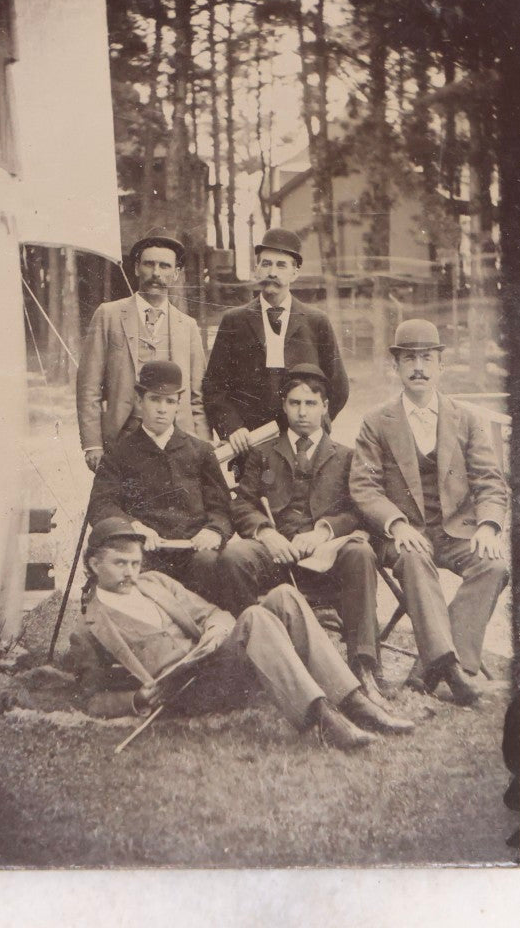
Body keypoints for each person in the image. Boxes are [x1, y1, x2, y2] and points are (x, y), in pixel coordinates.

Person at [67, 518, 414, 750]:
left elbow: (213, 614)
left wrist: (214, 635)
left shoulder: (155, 583)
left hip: (213, 665)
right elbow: (92, 699)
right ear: (94, 565)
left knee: (284, 595)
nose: (131, 572)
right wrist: (137, 700)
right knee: (253, 618)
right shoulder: (90, 627)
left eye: (135, 563)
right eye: (120, 564)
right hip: (184, 693)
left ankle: (354, 702)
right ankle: (324, 719)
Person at [349, 319, 510, 705]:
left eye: (426, 358)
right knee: (416, 560)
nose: (418, 367)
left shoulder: (466, 418)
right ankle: (452, 672)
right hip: (402, 535)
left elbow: (490, 480)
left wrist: (488, 524)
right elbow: (364, 486)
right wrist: (397, 522)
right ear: (397, 367)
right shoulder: (376, 421)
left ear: (441, 365)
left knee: (494, 565)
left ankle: (428, 670)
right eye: (409, 359)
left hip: (456, 532)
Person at [230, 364, 385, 708]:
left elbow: (357, 510)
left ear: (326, 407)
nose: (302, 412)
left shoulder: (346, 456)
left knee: (361, 554)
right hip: (276, 555)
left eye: (311, 404)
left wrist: (323, 532)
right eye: (295, 403)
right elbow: (242, 504)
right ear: (284, 406)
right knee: (234, 557)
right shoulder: (261, 453)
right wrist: (266, 532)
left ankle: (363, 665)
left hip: (324, 557)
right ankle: (255, 664)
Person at [87, 361, 263, 613]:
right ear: (139, 400)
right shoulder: (119, 453)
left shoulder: (200, 451)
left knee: (214, 567)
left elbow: (221, 507)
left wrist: (214, 531)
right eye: (155, 400)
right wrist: (133, 529)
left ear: (178, 404)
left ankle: (225, 637)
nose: (162, 409)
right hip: (145, 553)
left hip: (194, 552)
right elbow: (101, 505)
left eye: (169, 402)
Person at [203, 227, 348, 459]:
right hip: (250, 444)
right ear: (257, 269)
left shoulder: (316, 321)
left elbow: (338, 385)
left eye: (281, 265)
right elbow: (215, 387)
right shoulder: (235, 320)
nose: (272, 272)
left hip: (303, 442)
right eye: (266, 264)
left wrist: (318, 423)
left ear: (295, 272)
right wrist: (232, 428)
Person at [76, 231, 209, 472]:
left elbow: (198, 396)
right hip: (123, 435)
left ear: (176, 274)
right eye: (149, 264)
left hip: (177, 437)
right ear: (137, 268)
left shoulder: (187, 326)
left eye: (165, 266)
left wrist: (203, 444)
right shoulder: (109, 315)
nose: (156, 273)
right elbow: (89, 387)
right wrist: (92, 444)